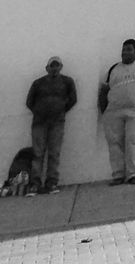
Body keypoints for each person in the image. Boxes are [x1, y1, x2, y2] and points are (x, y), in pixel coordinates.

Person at [98, 38, 135, 185]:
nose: (125, 52)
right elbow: (103, 91)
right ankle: (118, 175)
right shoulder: (113, 69)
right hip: (113, 112)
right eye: (123, 49)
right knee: (114, 143)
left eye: (129, 49)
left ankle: (133, 174)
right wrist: (104, 111)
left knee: (134, 141)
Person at [25, 55, 78, 194]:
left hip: (57, 122)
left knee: (54, 152)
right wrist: (40, 111)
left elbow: (73, 99)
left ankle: (52, 182)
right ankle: (35, 183)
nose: (54, 68)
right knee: (38, 153)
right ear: (47, 68)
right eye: (52, 65)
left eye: (57, 65)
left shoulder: (67, 81)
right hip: (39, 122)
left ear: (60, 67)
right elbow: (29, 101)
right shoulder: (38, 83)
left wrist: (60, 110)